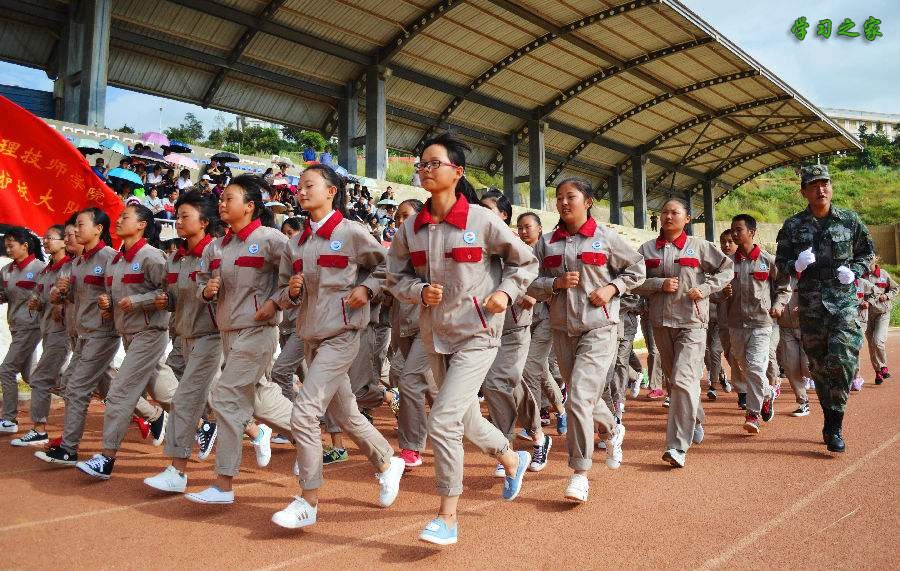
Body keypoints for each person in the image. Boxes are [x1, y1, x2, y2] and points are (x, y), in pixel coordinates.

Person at [387, 133, 537, 545]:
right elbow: (394, 275)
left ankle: (447, 515)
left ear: (458, 172)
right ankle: (511, 456)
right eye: (423, 163)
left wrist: (505, 293)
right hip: (435, 334)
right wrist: (418, 292)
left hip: (478, 333)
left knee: (445, 419)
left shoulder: (482, 221)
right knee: (465, 414)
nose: (426, 169)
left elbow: (524, 262)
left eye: (435, 163)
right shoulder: (412, 228)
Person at [271, 164, 404, 530]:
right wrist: (290, 292)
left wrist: (367, 289)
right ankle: (387, 461)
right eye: (299, 187)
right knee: (345, 415)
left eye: (309, 186)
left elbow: (388, 266)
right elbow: (282, 292)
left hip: (343, 334)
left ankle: (308, 500)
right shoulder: (295, 243)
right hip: (309, 335)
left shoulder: (352, 233)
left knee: (305, 411)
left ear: (331, 191)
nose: (301, 191)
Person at [527, 177, 645, 502]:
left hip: (600, 328)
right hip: (562, 330)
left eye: (571, 197)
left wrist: (610, 289)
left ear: (587, 201)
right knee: (586, 401)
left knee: (577, 398)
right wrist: (555, 283)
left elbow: (638, 268)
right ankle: (613, 429)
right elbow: (528, 282)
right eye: (559, 197)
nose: (564, 203)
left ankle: (579, 473)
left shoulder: (605, 237)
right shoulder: (547, 243)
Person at [186, 175, 294, 504]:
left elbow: (294, 277)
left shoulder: (272, 240)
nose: (221, 203)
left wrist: (275, 303)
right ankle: (308, 437)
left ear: (249, 206)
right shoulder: (216, 246)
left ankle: (223, 484)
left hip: (258, 331)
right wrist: (207, 291)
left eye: (229, 198)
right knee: (260, 398)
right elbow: (202, 282)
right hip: (227, 334)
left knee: (225, 396)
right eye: (221, 198)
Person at [775, 164, 875, 453]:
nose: (821, 189)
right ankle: (829, 419)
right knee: (818, 366)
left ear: (831, 187)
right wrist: (795, 265)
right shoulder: (793, 226)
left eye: (825, 183)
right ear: (804, 191)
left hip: (843, 300)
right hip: (810, 305)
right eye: (814, 184)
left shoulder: (849, 220)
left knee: (842, 360)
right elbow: (780, 265)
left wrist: (855, 271)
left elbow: (868, 252)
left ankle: (835, 423)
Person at [74, 204, 178, 480]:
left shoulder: (151, 257)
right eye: (119, 217)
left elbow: (168, 295)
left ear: (142, 224)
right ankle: (212, 423)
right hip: (128, 335)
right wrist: (107, 304)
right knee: (165, 393)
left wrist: (138, 301)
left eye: (125, 217)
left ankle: (107, 458)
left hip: (150, 332)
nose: (118, 221)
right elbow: (111, 298)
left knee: (120, 392)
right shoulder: (116, 261)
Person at [635, 198, 733, 468]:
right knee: (676, 381)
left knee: (682, 379)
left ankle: (677, 446)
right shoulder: (646, 249)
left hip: (692, 322)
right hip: (661, 323)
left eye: (674, 212)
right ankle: (696, 419)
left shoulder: (700, 247)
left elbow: (727, 269)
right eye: (664, 212)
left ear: (687, 219)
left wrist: (705, 289)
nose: (668, 216)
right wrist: (658, 283)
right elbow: (632, 279)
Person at [143, 191, 224, 493]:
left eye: (184, 216)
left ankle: (177, 471)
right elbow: (172, 301)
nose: (177, 222)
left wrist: (212, 292)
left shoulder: (215, 254)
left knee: (185, 400)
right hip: (182, 338)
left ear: (203, 222)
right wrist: (164, 302)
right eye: (176, 216)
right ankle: (260, 430)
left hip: (211, 336)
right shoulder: (174, 259)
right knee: (225, 398)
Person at [35, 209, 124, 465]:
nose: (75, 230)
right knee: (70, 385)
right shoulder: (76, 263)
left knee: (77, 387)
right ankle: (148, 415)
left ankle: (69, 448)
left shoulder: (110, 258)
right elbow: (72, 297)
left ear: (98, 229)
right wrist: (59, 294)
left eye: (81, 225)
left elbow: (118, 293)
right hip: (83, 334)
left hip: (102, 333)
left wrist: (110, 305)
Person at [479, 191, 550, 475]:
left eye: (487, 208)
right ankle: (538, 435)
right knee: (509, 384)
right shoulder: (475, 242)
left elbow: (534, 275)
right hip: (483, 328)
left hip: (514, 327)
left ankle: (506, 447)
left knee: (497, 383)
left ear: (504, 215)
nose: (480, 213)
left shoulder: (516, 245)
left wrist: (534, 294)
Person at [722, 214, 789, 434]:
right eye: (732, 229)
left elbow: (783, 287)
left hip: (762, 323)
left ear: (751, 232)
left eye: (738, 229)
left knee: (755, 367)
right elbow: (714, 291)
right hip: (735, 324)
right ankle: (768, 393)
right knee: (742, 365)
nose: (734, 233)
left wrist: (779, 304)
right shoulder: (727, 264)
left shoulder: (768, 261)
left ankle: (753, 413)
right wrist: (723, 292)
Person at [11, 226, 71, 446]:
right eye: (44, 238)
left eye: (51, 238)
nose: (45, 241)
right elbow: (39, 296)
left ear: (64, 241)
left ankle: (39, 429)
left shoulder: (69, 268)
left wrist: (61, 301)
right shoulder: (47, 271)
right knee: (68, 383)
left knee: (39, 378)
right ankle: (143, 410)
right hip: (47, 331)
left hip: (62, 332)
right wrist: (36, 302)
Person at [516, 212, 567, 434]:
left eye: (528, 227)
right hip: (524, 320)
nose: (523, 231)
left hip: (546, 317)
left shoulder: (548, 252)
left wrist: (535, 296)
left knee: (529, 367)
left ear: (539, 228)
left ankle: (534, 421)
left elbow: (555, 283)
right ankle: (561, 410)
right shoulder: (517, 253)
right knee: (541, 369)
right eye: (520, 227)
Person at [0, 227, 46, 434]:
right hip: (16, 327)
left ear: (25, 246)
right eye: (6, 246)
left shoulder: (40, 269)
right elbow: (4, 295)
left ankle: (9, 419)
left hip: (32, 326)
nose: (7, 249)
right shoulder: (6, 271)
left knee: (7, 369)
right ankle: (78, 391)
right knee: (31, 376)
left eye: (11, 245)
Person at [864, 259, 896, 384]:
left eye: (869, 258)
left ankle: (883, 366)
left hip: (882, 313)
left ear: (875, 258)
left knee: (878, 341)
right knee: (871, 345)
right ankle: (878, 372)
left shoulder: (883, 274)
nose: (867, 261)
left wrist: (887, 296)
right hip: (867, 315)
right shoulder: (862, 276)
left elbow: (895, 288)